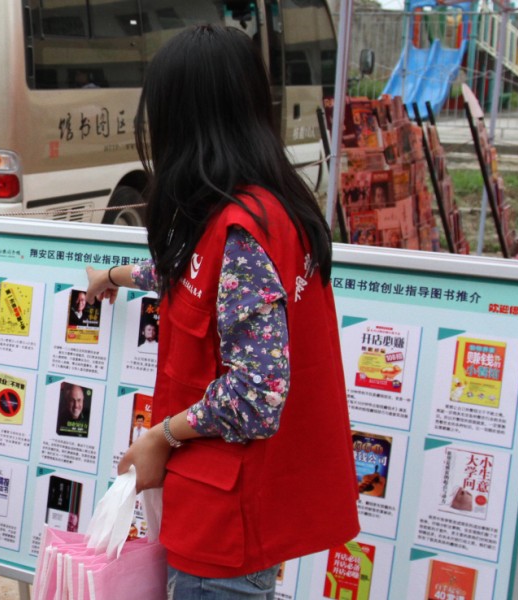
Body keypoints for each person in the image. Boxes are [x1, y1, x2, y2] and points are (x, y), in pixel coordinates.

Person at [85, 25, 358, 599]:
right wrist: (113, 276)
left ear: (185, 122)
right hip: (224, 516)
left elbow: (257, 391)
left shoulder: (242, 232)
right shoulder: (268, 206)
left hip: (222, 533)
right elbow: (198, 279)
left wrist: (161, 436)